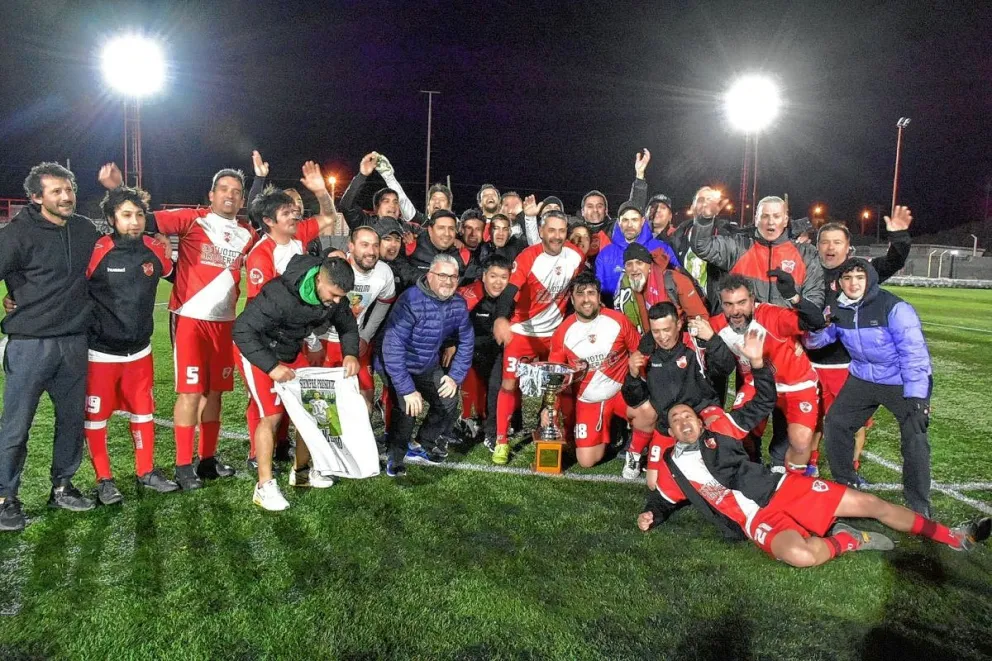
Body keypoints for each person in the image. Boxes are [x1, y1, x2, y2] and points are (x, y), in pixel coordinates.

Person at [637, 329, 991, 565]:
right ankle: (847, 540)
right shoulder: (674, 464)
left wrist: (759, 365)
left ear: (700, 420)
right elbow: (664, 498)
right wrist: (653, 513)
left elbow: (762, 403)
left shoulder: (721, 427)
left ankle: (954, 536)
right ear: (671, 429)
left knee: (872, 504)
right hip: (757, 518)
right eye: (677, 419)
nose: (684, 421)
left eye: (688, 415)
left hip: (784, 489)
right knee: (799, 555)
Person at [0, 163, 104, 530]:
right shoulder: (16, 234)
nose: (65, 196)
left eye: (69, 189)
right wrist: (11, 297)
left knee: (71, 421)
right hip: (30, 344)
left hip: (74, 341)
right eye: (56, 191)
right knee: (16, 427)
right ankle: (5, 497)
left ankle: (62, 486)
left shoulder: (84, 229)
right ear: (36, 197)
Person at [140, 166, 257, 490]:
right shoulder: (193, 219)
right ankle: (182, 466)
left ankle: (206, 460)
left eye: (236, 191)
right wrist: (119, 187)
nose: (229, 195)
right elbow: (144, 220)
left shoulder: (247, 232)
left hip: (224, 324)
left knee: (215, 393)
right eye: (224, 189)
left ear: (242, 198)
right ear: (211, 194)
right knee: (190, 393)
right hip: (190, 319)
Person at [804, 258, 934, 515]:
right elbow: (816, 342)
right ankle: (846, 484)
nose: (853, 283)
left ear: (870, 279)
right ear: (840, 283)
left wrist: (918, 397)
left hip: (899, 381)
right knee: (836, 423)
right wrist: (814, 324)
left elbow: (915, 354)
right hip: (863, 377)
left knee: (915, 437)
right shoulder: (839, 308)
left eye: (859, 277)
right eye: (848, 278)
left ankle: (919, 504)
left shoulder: (894, 307)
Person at [233, 255, 360, 510]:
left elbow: (347, 325)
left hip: (290, 351)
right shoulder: (279, 295)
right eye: (333, 294)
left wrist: (350, 353)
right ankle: (264, 486)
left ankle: (301, 471)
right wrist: (271, 366)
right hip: (258, 350)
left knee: (316, 409)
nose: (336, 302)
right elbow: (242, 330)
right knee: (272, 414)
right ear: (319, 278)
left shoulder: (334, 296)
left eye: (340, 297)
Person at [83, 186, 180, 504]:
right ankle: (104, 479)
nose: (135, 221)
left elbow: (175, 274)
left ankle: (146, 472)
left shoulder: (154, 248)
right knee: (97, 418)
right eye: (126, 215)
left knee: (144, 413)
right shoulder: (98, 250)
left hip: (140, 350)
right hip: (101, 353)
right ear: (112, 218)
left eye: (139, 214)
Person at [243, 164, 340, 469]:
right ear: (269, 221)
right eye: (287, 212)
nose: (295, 215)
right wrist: (307, 330)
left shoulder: (299, 236)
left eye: (294, 209)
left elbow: (329, 216)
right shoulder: (261, 255)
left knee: (315, 400)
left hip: (293, 337)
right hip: (265, 342)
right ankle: (260, 464)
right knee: (267, 407)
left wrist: (321, 190)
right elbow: (265, 311)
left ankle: (318, 462)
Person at [808, 209, 912, 480]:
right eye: (825, 242)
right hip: (809, 362)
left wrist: (899, 236)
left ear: (848, 246)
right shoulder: (807, 272)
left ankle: (851, 468)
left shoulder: (860, 272)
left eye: (837, 242)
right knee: (812, 418)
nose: (830, 247)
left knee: (853, 421)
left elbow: (893, 260)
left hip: (849, 365)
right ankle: (811, 463)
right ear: (817, 246)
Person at [491, 211, 585, 465]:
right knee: (509, 385)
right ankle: (502, 440)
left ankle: (563, 434)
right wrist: (501, 318)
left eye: (561, 231)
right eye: (551, 230)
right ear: (541, 231)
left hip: (554, 335)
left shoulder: (576, 256)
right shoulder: (528, 256)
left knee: (559, 388)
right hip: (522, 332)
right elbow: (510, 291)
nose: (556, 236)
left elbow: (580, 288)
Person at [710, 275, 825, 472]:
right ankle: (754, 470)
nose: (735, 311)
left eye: (742, 302)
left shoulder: (772, 316)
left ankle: (791, 482)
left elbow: (816, 321)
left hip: (796, 385)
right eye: (728, 304)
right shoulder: (717, 325)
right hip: (757, 384)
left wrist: (793, 296)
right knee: (738, 432)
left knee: (800, 441)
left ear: (753, 300)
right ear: (721, 304)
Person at [547, 272, 656, 468]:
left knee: (648, 412)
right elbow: (556, 376)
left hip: (621, 392)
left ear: (599, 297)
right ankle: (614, 431)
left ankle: (634, 453)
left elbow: (639, 352)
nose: (586, 299)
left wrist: (644, 386)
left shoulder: (618, 320)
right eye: (580, 294)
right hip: (590, 399)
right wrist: (550, 410)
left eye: (591, 293)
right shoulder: (562, 333)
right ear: (572, 299)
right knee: (586, 461)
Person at [622, 302, 738, 480]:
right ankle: (637, 451)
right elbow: (633, 399)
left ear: (678, 324)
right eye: (656, 331)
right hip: (668, 420)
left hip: (701, 410)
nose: (662, 337)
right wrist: (632, 376)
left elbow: (726, 368)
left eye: (667, 329)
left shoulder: (695, 343)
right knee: (653, 482)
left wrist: (713, 339)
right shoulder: (646, 352)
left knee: (719, 427)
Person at [382, 254, 473, 475]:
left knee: (449, 400)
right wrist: (407, 389)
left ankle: (424, 442)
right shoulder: (410, 300)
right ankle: (395, 457)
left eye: (453, 276)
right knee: (408, 408)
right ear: (430, 275)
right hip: (398, 364)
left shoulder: (458, 304)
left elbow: (467, 341)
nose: (448, 281)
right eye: (442, 275)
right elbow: (392, 348)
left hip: (426, 365)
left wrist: (455, 376)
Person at [689, 195, 825, 308]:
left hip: (784, 338)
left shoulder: (806, 254)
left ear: (785, 221)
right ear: (756, 220)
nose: (770, 222)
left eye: (776, 216)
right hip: (741, 337)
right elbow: (702, 246)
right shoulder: (738, 246)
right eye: (765, 216)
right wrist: (705, 219)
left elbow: (814, 301)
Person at [318, 226, 396, 406]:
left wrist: (366, 335)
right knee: (320, 400)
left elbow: (385, 302)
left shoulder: (384, 272)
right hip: (324, 340)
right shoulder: (335, 267)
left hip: (355, 340)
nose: (371, 251)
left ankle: (360, 434)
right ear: (351, 246)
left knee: (365, 395)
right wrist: (313, 343)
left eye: (375, 245)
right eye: (365, 245)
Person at [456, 255, 512, 446]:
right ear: (484, 276)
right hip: (468, 350)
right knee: (466, 387)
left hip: (496, 352)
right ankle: (463, 420)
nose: (498, 282)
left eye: (504, 277)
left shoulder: (512, 299)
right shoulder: (469, 295)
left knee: (497, 386)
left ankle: (492, 432)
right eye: (493, 276)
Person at [595, 202, 680, 304]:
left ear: (643, 221)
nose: (629, 225)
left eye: (634, 220)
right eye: (625, 220)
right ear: (619, 222)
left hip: (655, 315)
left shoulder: (661, 248)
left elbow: (679, 280)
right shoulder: (605, 255)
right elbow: (598, 291)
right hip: (617, 316)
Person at [613, 243, 707, 333]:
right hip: (655, 340)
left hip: (681, 338)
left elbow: (700, 317)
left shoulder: (675, 280)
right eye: (629, 264)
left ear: (649, 266)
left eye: (639, 263)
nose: (634, 269)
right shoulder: (627, 286)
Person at [391, 209, 466, 289]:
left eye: (451, 228)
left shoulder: (462, 252)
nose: (447, 233)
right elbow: (398, 264)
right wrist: (425, 281)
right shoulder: (412, 244)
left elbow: (471, 277)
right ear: (430, 230)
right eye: (441, 228)